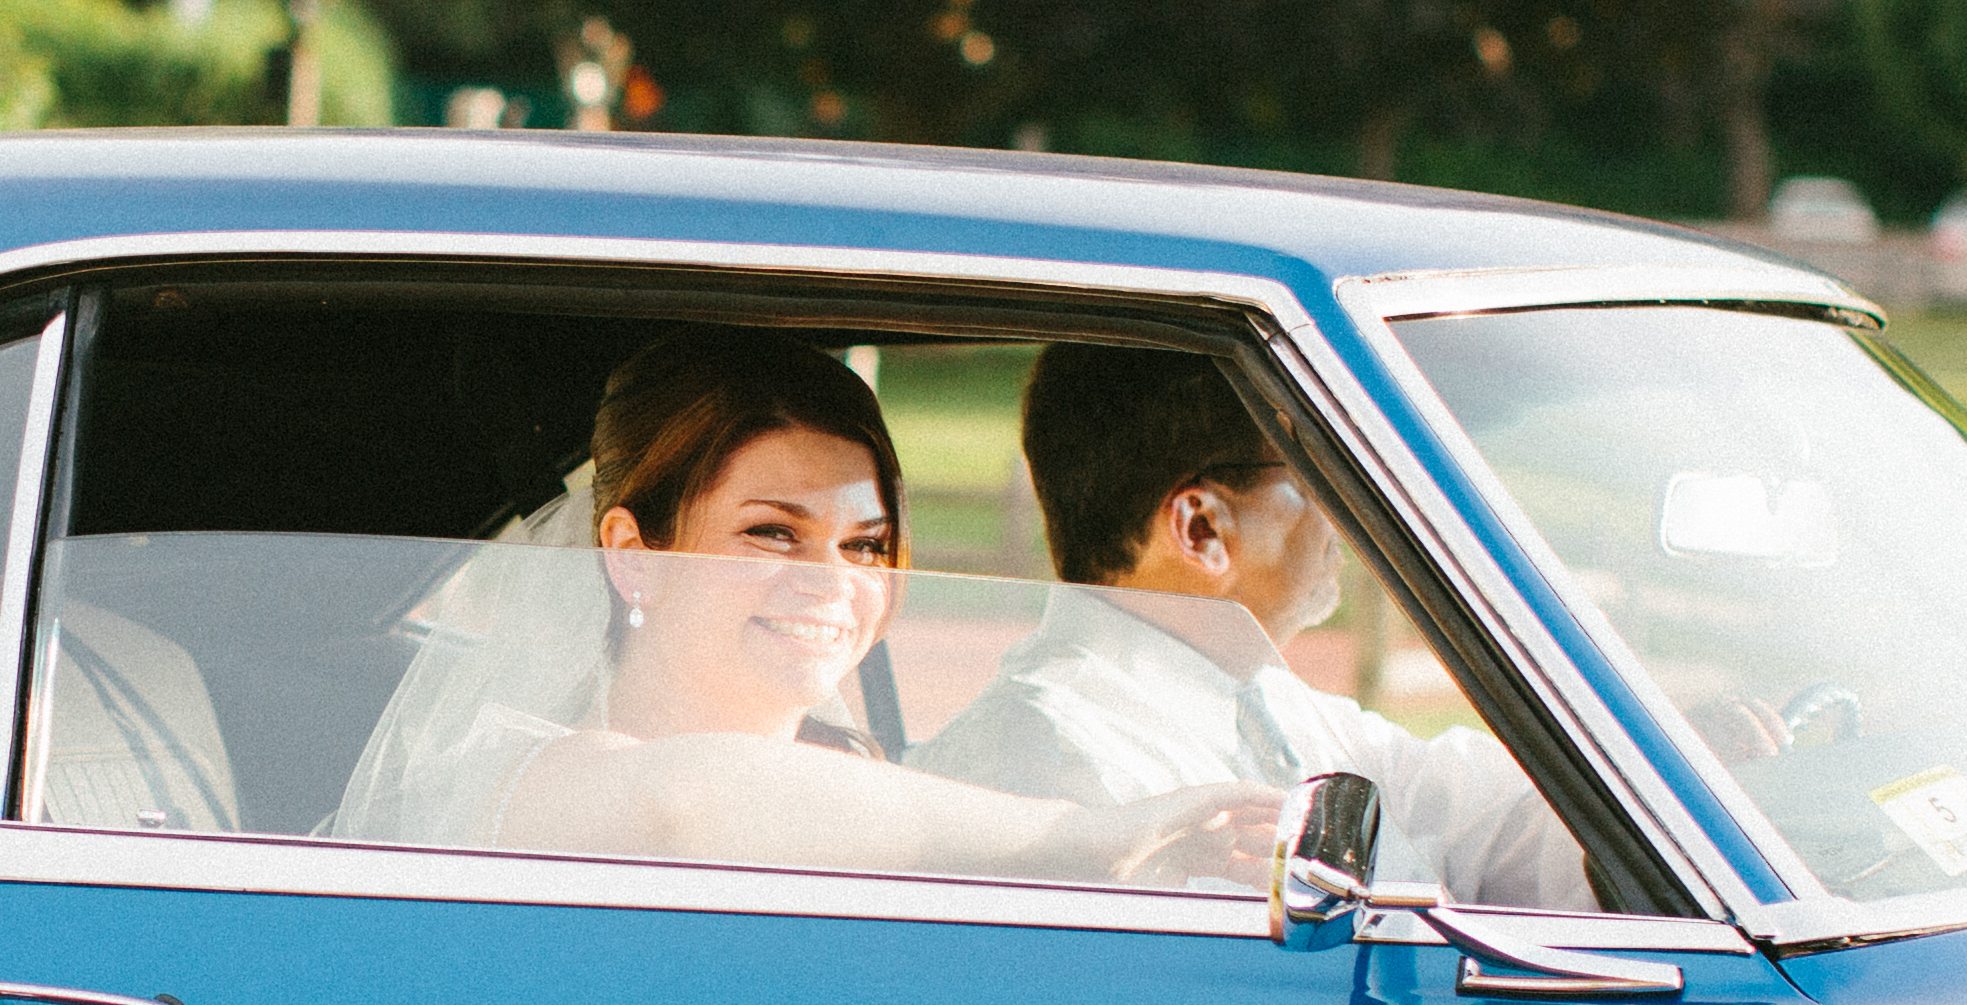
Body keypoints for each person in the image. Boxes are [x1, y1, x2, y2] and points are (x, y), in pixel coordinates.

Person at [334, 328, 1276, 889]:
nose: (833, 584)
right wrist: (1091, 837)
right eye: (773, 534)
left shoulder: (854, 776)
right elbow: (691, 802)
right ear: (633, 559)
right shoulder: (535, 782)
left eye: (863, 545)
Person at [913, 345, 1603, 906]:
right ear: (1202, 527)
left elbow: (1493, 820)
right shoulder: (1057, 773)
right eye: (1315, 474)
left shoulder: (1263, 703)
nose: (1342, 512)